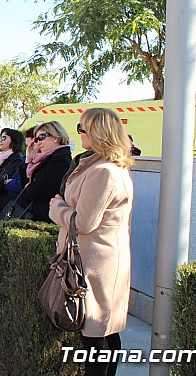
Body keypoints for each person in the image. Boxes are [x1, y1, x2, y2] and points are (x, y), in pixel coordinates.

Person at [50, 108, 134, 376]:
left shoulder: (104, 172)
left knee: (97, 334)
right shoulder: (100, 166)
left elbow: (84, 222)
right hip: (93, 259)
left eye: (82, 127)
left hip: (96, 263)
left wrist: (57, 209)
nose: (80, 133)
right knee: (103, 333)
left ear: (97, 133)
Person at [19, 121, 72, 222]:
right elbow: (24, 186)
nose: (38, 142)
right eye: (36, 139)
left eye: (42, 137)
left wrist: (28, 188)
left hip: (46, 218)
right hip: (35, 215)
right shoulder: (42, 159)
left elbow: (33, 192)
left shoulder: (59, 160)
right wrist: (28, 158)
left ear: (56, 137)